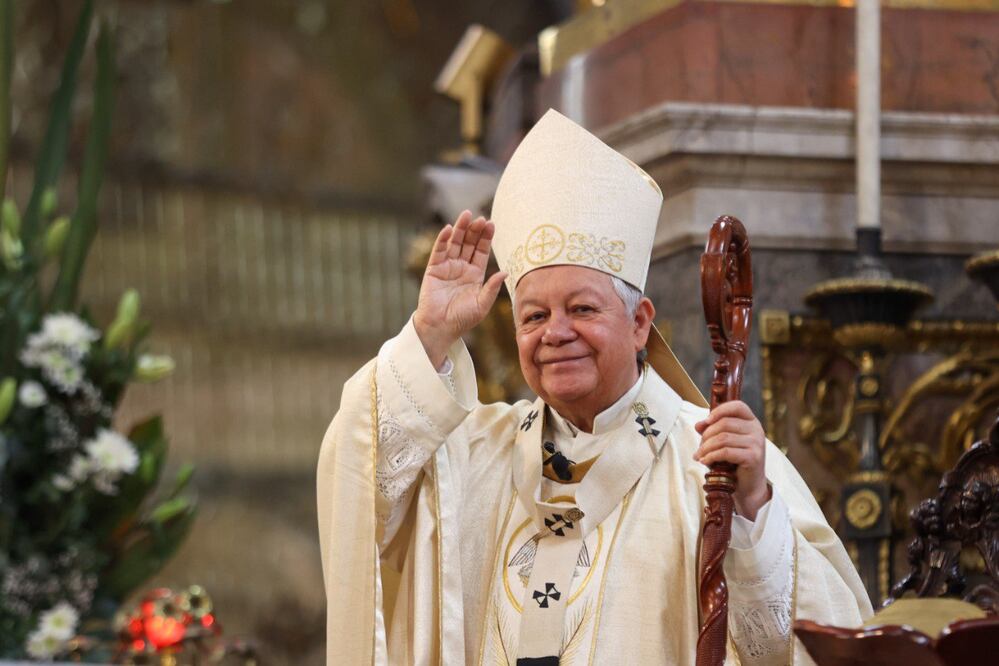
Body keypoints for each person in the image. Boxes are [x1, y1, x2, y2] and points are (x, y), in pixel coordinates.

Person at [317, 110, 871, 666]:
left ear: (639, 324)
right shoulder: (477, 454)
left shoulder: (711, 462)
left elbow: (811, 644)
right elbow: (362, 481)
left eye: (582, 308)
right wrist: (430, 337)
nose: (556, 333)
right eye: (533, 317)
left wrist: (752, 511)